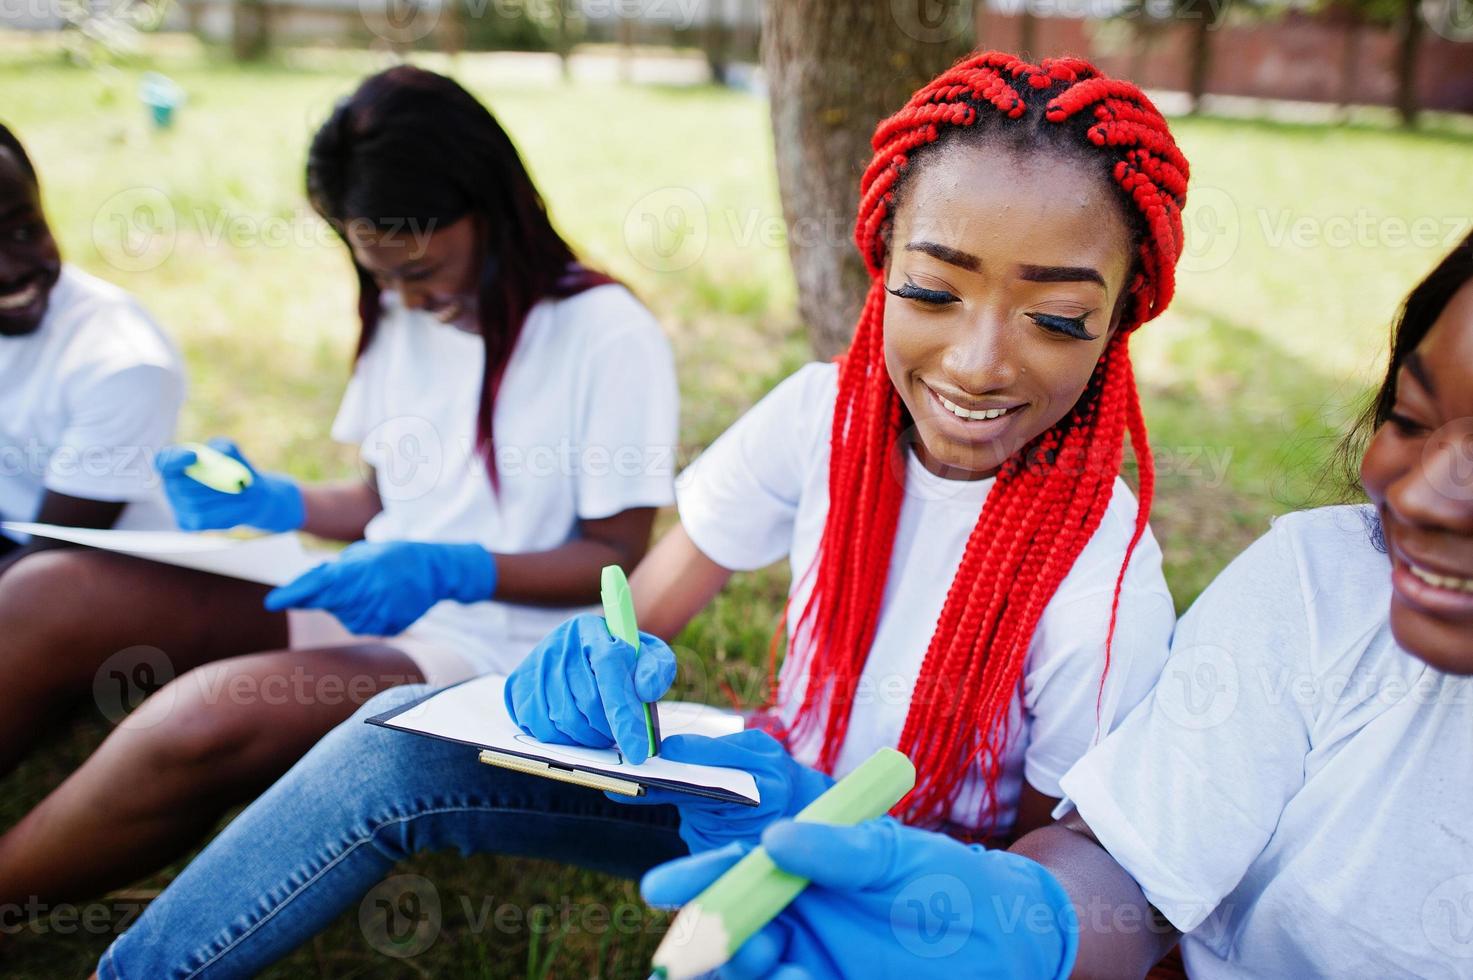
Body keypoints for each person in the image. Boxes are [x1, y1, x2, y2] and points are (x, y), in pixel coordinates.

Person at [93, 52, 1189, 977]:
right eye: (934, 291)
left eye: (1054, 315)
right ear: (881, 261)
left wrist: (878, 858)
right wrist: (602, 657)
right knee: (393, 749)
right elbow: (645, 606)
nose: (980, 360)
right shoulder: (820, 417)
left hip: (899, 890)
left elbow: (1051, 860)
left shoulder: (1103, 574)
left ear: (1119, 316)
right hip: (743, 788)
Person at [644, 231, 1473, 978]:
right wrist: (1022, 921)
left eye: (1058, 316)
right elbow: (1124, 867)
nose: (1428, 498)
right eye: (1407, 417)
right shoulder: (1320, 580)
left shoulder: (1101, 587)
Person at [0, 66, 677, 911]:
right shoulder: (404, 312)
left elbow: (611, 560)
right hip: (381, 605)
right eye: (378, 272)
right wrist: (273, 501)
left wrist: (447, 568)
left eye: (420, 267)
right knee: (47, 592)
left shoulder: (604, 333)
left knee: (196, 720)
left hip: (496, 648)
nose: (400, 294)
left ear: (490, 205)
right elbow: (379, 503)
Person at [0, 122, 185, 578]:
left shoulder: (122, 362)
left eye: (24, 231)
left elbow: (46, 564)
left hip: (95, 585)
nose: (8, 271)